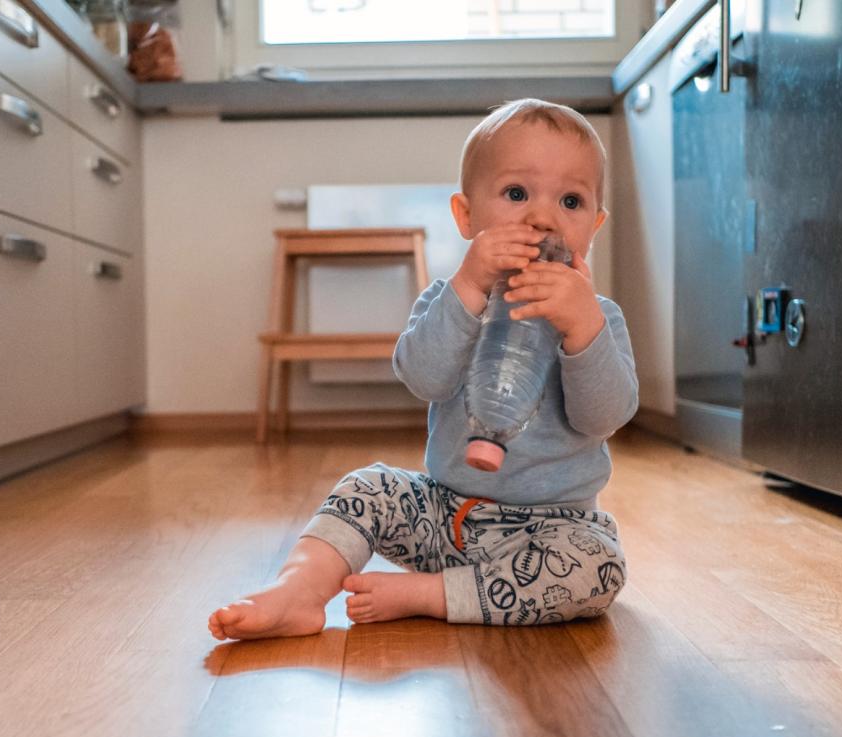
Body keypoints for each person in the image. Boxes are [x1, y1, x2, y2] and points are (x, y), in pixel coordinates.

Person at [208, 98, 638, 640]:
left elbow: (604, 417)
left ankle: (432, 596)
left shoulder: (599, 318)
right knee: (367, 486)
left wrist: (582, 329)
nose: (543, 218)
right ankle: (298, 591)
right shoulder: (451, 300)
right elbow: (423, 377)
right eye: (515, 194)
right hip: (443, 516)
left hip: (551, 532)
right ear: (466, 216)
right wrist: (469, 288)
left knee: (597, 567)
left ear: (593, 226)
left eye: (571, 201)